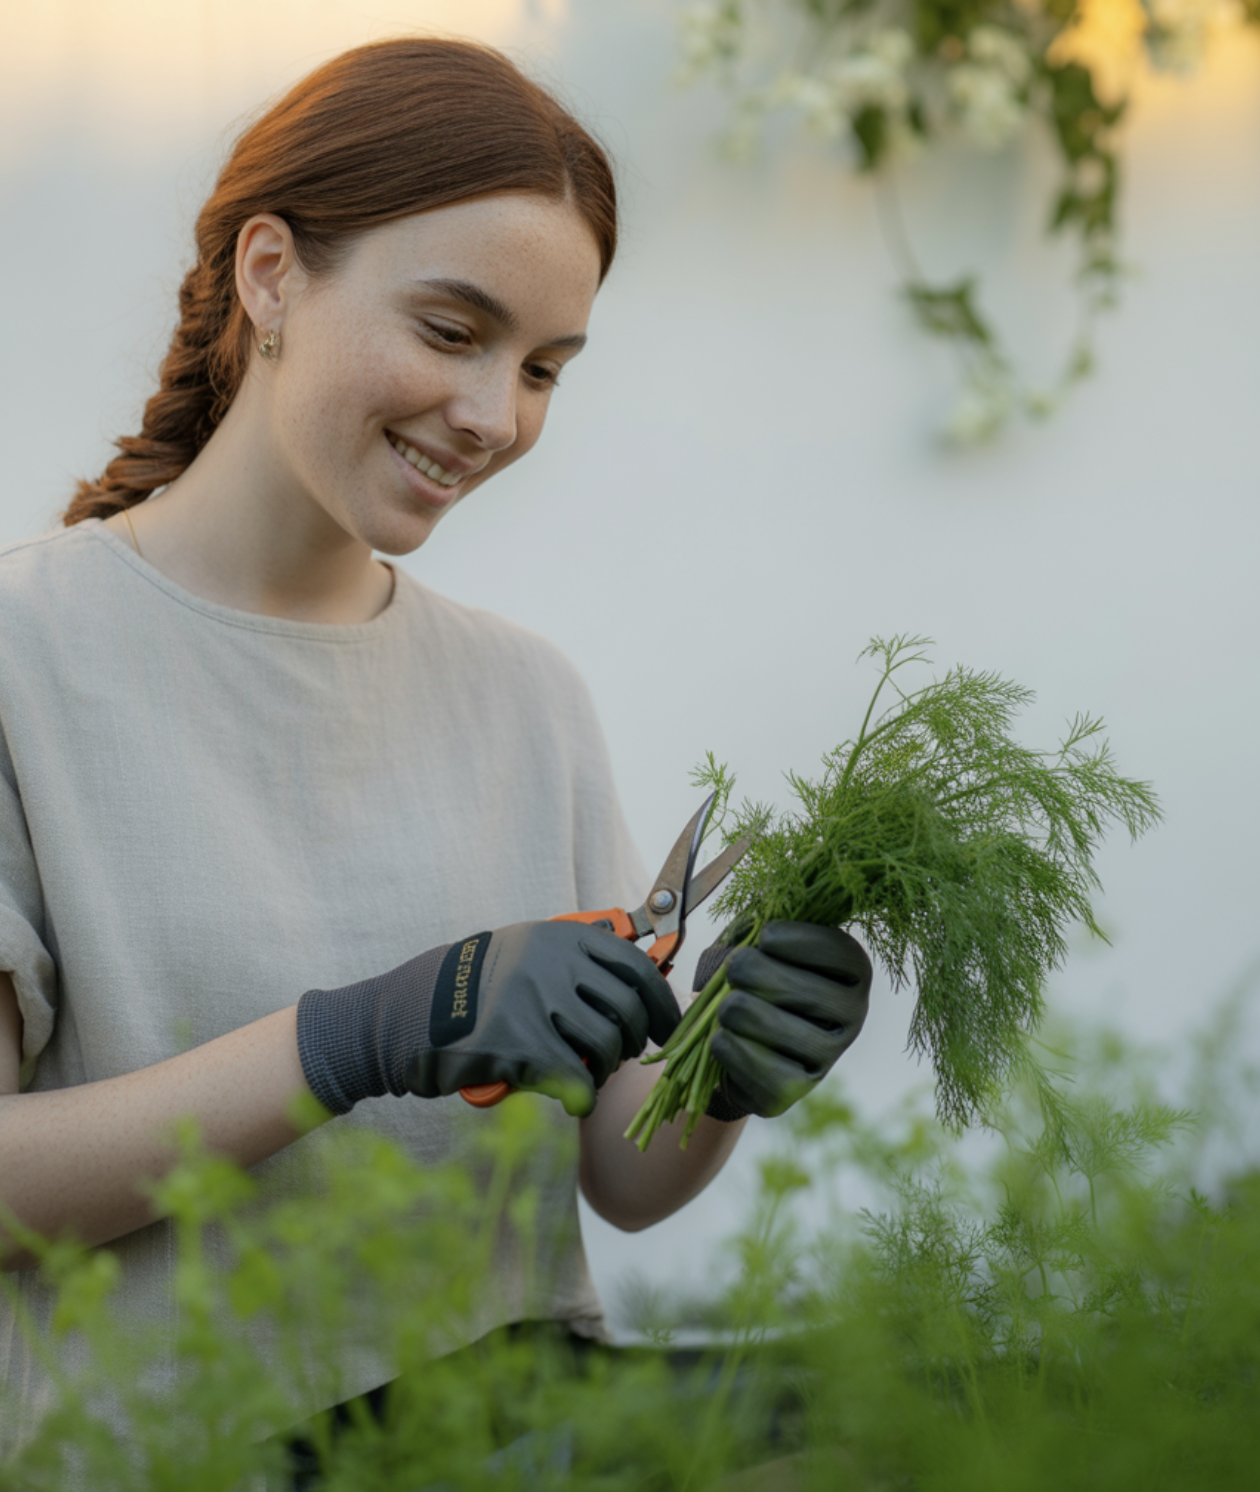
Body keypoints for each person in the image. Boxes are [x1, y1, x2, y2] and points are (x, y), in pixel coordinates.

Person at [0, 36, 872, 1460]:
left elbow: (620, 1178)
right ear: (271, 273)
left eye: (543, 367)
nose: (494, 416)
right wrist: (348, 1042)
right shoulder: (26, 659)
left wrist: (724, 1065)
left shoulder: (526, 694)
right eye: (453, 331)